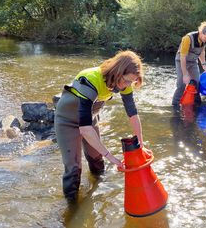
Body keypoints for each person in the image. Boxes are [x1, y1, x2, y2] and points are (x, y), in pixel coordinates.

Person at [55, 50, 145, 201]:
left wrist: (140, 143)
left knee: (97, 161)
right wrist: (113, 158)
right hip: (67, 121)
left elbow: (132, 113)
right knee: (73, 170)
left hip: (90, 118)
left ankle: (98, 195)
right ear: (117, 72)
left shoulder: (125, 82)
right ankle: (72, 210)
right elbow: (84, 129)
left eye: (132, 82)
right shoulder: (91, 79)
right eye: (127, 81)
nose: (128, 85)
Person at [172, 21, 206, 106]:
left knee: (196, 82)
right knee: (182, 84)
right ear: (201, 32)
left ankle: (196, 103)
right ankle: (175, 104)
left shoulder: (204, 40)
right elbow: (183, 57)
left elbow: (202, 52)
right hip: (181, 61)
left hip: (193, 62)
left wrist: (204, 65)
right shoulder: (187, 38)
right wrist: (185, 74)